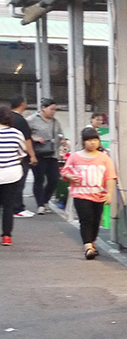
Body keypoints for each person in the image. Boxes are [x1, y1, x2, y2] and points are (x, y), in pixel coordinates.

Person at [61, 127, 115, 259]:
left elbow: (110, 176)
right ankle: (88, 247)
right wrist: (70, 176)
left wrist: (109, 193)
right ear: (83, 141)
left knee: (96, 220)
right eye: (89, 140)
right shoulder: (75, 157)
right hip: (80, 194)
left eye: (95, 140)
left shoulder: (104, 158)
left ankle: (92, 243)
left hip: (98, 195)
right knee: (86, 219)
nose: (93, 143)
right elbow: (64, 171)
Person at [0, 108, 37, 246]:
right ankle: (6, 236)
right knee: (8, 206)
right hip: (11, 174)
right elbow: (22, 152)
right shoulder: (17, 134)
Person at [27, 99, 66, 214]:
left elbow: (60, 135)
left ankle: (45, 200)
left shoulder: (55, 122)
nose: (53, 112)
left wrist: (62, 140)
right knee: (39, 179)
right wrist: (35, 138)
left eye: (55, 109)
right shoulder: (32, 120)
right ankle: (40, 205)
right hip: (38, 154)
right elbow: (25, 135)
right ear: (43, 108)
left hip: (52, 154)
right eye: (51, 109)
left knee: (54, 179)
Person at [5, 98, 36, 219]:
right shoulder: (20, 120)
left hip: (5, 157)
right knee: (19, 183)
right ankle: (17, 208)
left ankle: (9, 206)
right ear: (22, 104)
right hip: (18, 157)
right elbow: (26, 140)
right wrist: (32, 155)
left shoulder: (8, 119)